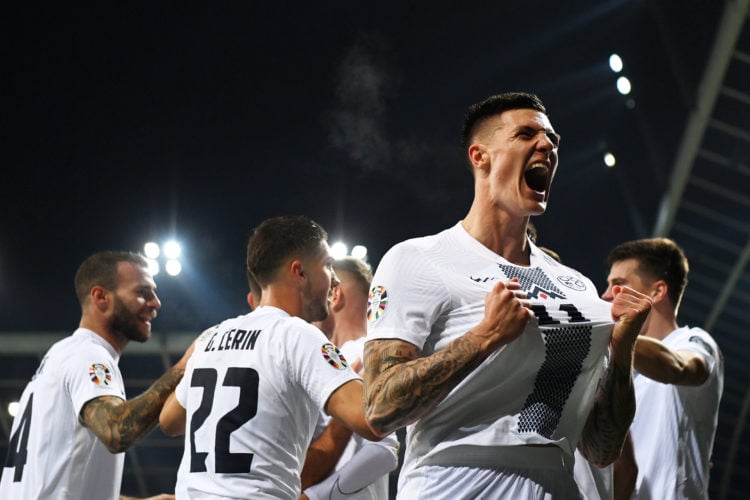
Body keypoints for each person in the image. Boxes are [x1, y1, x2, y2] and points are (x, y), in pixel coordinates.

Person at [362, 92, 653, 498]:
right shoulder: (419, 260)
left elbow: (601, 449)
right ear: (480, 156)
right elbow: (378, 408)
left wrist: (622, 354)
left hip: (557, 481)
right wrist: (484, 337)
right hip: (455, 482)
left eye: (553, 139)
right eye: (525, 133)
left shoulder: (578, 288)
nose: (547, 145)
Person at [159, 215, 382, 499]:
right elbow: (371, 418)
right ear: (299, 272)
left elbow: (169, 421)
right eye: (327, 265)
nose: (334, 277)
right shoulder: (297, 334)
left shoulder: (213, 337)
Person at [0, 250, 193, 499]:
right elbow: (117, 430)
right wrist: (184, 367)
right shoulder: (88, 356)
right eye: (142, 292)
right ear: (100, 297)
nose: (156, 303)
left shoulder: (64, 354)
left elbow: (61, 485)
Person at [603, 238, 723, 499]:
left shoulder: (693, 341)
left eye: (619, 285)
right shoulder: (614, 365)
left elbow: (678, 367)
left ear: (657, 292)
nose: (606, 295)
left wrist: (605, 334)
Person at [304, 257, 400, 500]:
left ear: (334, 294)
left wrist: (313, 496)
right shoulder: (350, 355)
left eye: (312, 293)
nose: (306, 305)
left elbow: (383, 451)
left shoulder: (364, 357)